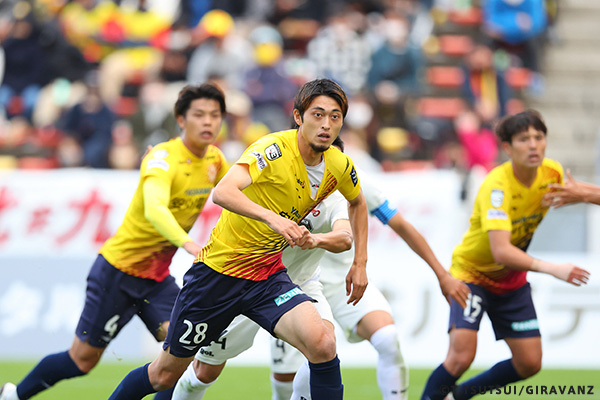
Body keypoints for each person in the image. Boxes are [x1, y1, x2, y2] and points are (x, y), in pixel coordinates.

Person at [105, 78, 369, 400]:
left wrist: (360, 263)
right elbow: (223, 192)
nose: (326, 124)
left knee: (323, 344)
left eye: (335, 116)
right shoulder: (273, 150)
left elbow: (357, 203)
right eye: (318, 114)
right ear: (298, 117)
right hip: (218, 276)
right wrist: (274, 219)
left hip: (267, 277)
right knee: (164, 375)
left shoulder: (339, 164)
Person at [170, 137, 470, 400]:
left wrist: (439, 274)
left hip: (329, 284)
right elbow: (229, 196)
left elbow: (390, 225)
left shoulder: (352, 183)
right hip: (266, 281)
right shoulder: (278, 175)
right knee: (208, 371)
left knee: (372, 340)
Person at [0, 83, 230, 400]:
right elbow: (154, 209)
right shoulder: (162, 158)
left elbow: (237, 194)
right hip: (117, 273)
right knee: (81, 360)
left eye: (215, 115)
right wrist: (189, 245)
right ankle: (13, 396)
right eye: (199, 114)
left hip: (155, 280)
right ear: (181, 119)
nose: (208, 122)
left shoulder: (215, 160)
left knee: (180, 353)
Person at [420, 110, 590, 400]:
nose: (533, 145)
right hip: (472, 274)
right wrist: (554, 269)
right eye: (524, 139)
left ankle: (458, 396)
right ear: (508, 148)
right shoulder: (496, 186)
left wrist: (586, 195)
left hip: (511, 281)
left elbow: (583, 192)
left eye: (538, 137)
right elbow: (501, 251)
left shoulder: (552, 173)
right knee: (461, 356)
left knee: (529, 362)